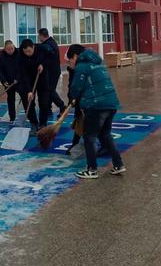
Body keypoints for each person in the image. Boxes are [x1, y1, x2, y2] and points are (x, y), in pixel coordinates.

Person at [67, 44, 125, 179]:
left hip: (96, 106)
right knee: (105, 135)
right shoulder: (97, 63)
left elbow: (76, 87)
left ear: (75, 56)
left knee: (89, 137)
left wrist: (73, 96)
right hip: (111, 104)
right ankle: (118, 164)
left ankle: (92, 169)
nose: (70, 63)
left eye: (70, 60)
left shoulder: (82, 66)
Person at [17, 39, 49, 135]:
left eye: (29, 51)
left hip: (42, 78)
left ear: (33, 47)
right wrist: (29, 91)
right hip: (27, 80)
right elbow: (23, 74)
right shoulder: (20, 56)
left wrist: (43, 65)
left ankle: (43, 123)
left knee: (44, 103)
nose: (28, 53)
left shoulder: (41, 49)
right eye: (25, 51)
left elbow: (49, 60)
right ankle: (34, 123)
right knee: (28, 102)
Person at [38, 28, 66, 117]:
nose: (39, 37)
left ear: (42, 35)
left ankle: (62, 106)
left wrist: (36, 46)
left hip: (52, 72)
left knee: (50, 90)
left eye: (39, 35)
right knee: (48, 90)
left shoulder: (50, 44)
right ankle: (48, 109)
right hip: (51, 71)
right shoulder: (50, 42)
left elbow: (49, 50)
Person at [0, 40, 19, 122]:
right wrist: (3, 81)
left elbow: (22, 67)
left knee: (25, 96)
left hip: (19, 81)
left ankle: (29, 113)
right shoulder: (1, 57)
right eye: (8, 49)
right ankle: (12, 117)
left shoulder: (19, 54)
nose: (11, 51)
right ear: (5, 49)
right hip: (8, 82)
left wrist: (18, 77)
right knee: (11, 99)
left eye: (12, 48)